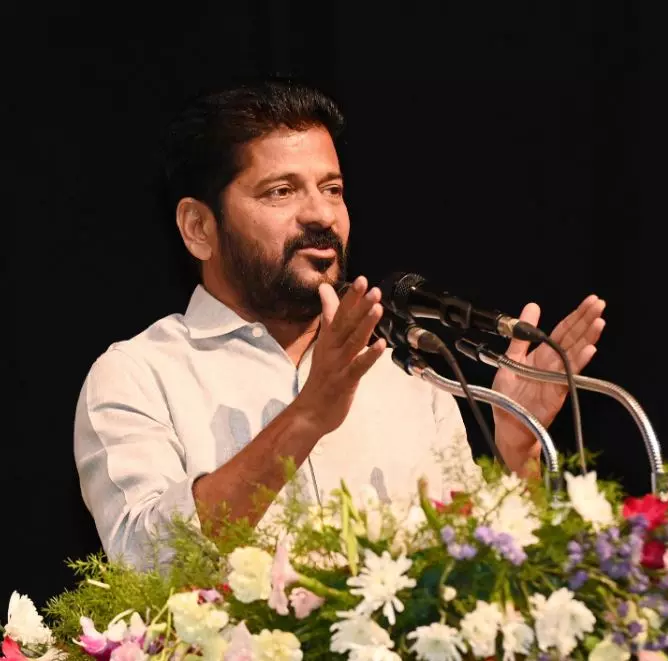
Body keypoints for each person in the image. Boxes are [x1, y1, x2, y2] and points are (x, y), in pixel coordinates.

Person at [74, 80, 606, 569]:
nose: (322, 216)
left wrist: (518, 452)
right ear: (198, 227)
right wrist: (307, 415)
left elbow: (478, 579)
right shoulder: (140, 375)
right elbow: (146, 561)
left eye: (331, 189)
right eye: (280, 191)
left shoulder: (408, 373)